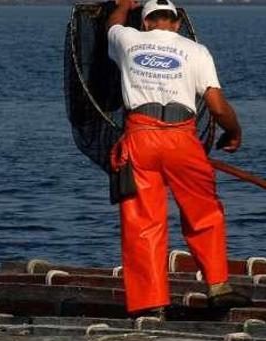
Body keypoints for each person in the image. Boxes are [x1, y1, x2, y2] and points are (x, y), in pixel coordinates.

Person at [107, 0, 250, 317]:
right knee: (204, 211)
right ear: (176, 22)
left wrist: (120, 6)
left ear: (144, 23)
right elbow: (216, 105)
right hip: (182, 139)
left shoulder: (127, 39)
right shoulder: (196, 51)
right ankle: (217, 288)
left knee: (142, 221)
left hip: (140, 139)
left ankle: (149, 304)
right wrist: (235, 131)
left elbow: (112, 25)